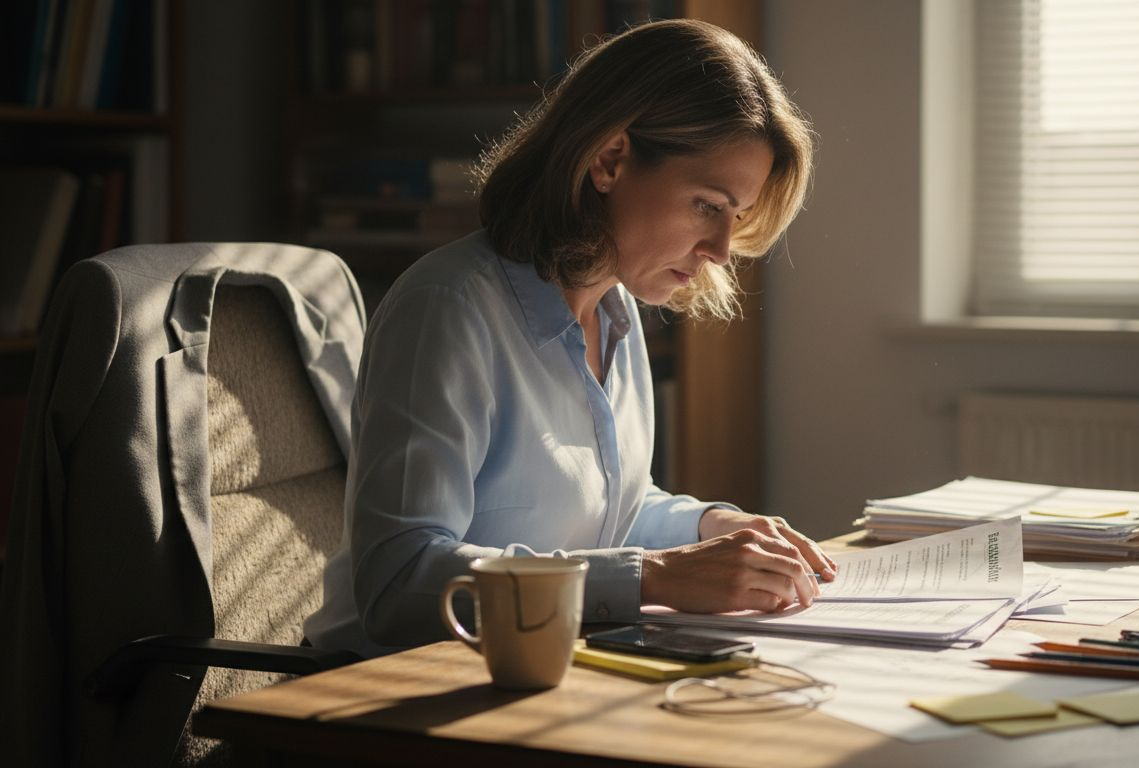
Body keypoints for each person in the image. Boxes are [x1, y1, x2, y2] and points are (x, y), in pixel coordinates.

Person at [305, 18, 833, 657]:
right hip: (384, 698)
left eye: (737, 217)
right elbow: (400, 581)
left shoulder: (615, 310)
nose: (722, 250)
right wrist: (655, 577)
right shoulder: (448, 308)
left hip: (529, 671)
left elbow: (593, 514)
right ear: (610, 160)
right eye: (706, 204)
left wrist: (711, 525)